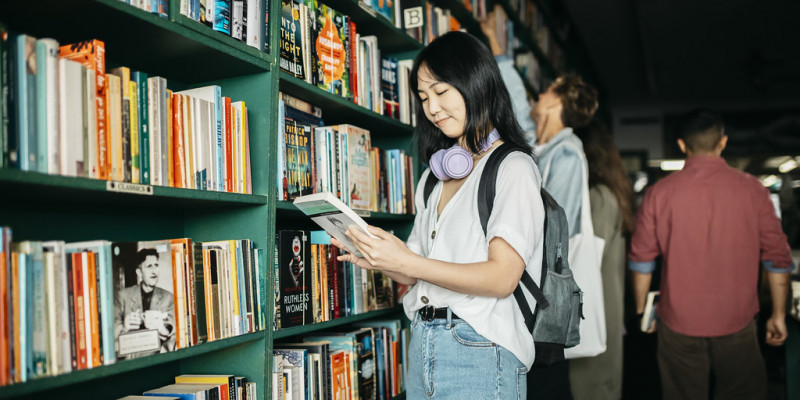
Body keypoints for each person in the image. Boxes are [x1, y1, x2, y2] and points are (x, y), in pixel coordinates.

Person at [330, 31, 545, 398]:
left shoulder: (513, 167)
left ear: (476, 82)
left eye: (441, 92)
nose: (431, 107)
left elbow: (502, 278)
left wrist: (410, 264)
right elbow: (416, 270)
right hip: (424, 342)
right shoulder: (434, 175)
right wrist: (379, 256)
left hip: (480, 347)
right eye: (424, 97)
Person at [628, 109, 793, 400]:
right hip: (738, 322)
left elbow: (641, 260)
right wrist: (778, 315)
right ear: (723, 142)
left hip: (677, 322)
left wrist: (644, 311)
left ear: (682, 145)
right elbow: (777, 258)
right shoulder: (753, 190)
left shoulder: (659, 193)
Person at [527, 74, 598, 399]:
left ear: (555, 101)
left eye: (544, 91)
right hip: (530, 287)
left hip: (541, 292)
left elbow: (555, 230)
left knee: (544, 381)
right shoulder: (541, 146)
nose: (537, 96)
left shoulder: (566, 154)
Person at [570, 121, 635, 400]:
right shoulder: (609, 194)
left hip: (595, 308)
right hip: (605, 305)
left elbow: (588, 259)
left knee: (593, 386)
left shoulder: (598, 196)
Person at [478, 5, 537, 142]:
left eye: (550, 92)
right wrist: (492, 36)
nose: (541, 95)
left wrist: (492, 35)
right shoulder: (531, 128)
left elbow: (514, 93)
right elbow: (514, 91)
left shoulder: (531, 133)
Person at [114, 248, 176, 358]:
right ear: (139, 272)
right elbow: (110, 331)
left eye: (156, 265)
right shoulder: (123, 296)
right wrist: (125, 326)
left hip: (157, 359)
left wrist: (163, 329)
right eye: (149, 266)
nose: (154, 271)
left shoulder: (168, 297)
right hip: (129, 361)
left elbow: (174, 330)